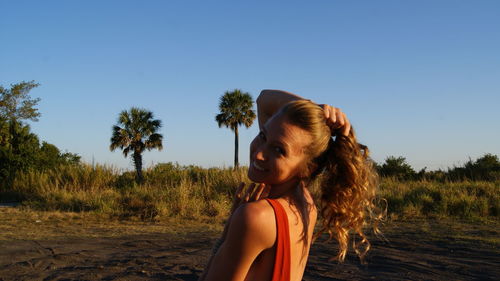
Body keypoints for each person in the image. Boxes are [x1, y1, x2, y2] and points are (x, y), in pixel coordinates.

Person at [199, 89, 381, 281]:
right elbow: (263, 100)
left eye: (279, 150)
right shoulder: (305, 204)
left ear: (308, 168)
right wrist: (317, 112)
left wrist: (228, 230)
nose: (259, 154)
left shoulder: (255, 217)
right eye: (262, 135)